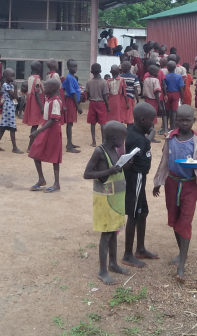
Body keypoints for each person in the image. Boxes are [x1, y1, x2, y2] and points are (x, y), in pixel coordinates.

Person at [152, 104, 197, 282]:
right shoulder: (171, 137)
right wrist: (158, 182)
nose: (184, 123)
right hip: (172, 183)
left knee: (185, 221)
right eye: (181, 120)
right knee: (175, 220)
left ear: (193, 120)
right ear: (176, 120)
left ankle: (182, 264)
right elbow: (165, 161)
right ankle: (181, 253)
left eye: (188, 120)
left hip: (189, 185)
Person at [83, 121, 132, 285]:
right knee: (106, 234)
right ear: (114, 138)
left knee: (114, 232)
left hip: (116, 201)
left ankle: (113, 263)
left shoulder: (114, 150)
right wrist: (109, 171)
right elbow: (87, 173)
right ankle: (102, 270)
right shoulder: (99, 151)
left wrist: (124, 165)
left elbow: (116, 169)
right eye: (122, 139)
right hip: (104, 201)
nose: (123, 142)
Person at [122, 102, 159, 268]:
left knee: (142, 212)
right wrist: (150, 137)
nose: (153, 124)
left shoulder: (134, 130)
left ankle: (140, 249)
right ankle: (128, 255)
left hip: (140, 178)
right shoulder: (136, 137)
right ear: (143, 120)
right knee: (134, 214)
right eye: (152, 121)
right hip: (135, 178)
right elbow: (142, 146)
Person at [28, 78, 64, 192]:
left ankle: (56, 183)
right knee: (35, 152)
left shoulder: (56, 102)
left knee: (55, 157)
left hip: (53, 130)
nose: (44, 88)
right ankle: (41, 179)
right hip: (45, 128)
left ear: (52, 89)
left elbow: (53, 120)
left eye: (46, 87)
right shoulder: (48, 99)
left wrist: (38, 131)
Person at [0, 68, 22, 153]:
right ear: (5, 76)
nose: (13, 78)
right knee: (12, 127)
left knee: (4, 126)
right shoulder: (5, 85)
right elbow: (13, 96)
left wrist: (15, 88)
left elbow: (16, 97)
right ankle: (14, 147)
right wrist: (16, 87)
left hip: (11, 106)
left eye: (14, 76)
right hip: (8, 106)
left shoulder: (11, 85)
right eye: (11, 76)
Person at [62, 59, 84, 153]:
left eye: (75, 66)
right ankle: (69, 146)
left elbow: (63, 86)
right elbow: (73, 92)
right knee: (69, 124)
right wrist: (77, 106)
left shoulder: (72, 77)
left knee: (70, 124)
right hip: (71, 102)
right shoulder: (70, 78)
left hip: (72, 102)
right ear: (68, 67)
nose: (74, 68)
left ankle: (69, 143)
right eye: (72, 66)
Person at [23, 61, 45, 148]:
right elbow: (36, 93)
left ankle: (32, 145)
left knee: (34, 125)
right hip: (36, 103)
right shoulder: (37, 79)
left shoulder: (30, 77)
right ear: (39, 68)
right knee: (35, 125)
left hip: (31, 101)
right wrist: (41, 106)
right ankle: (30, 146)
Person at [86, 63, 110, 147]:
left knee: (92, 123)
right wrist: (108, 106)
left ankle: (93, 141)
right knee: (102, 123)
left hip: (92, 103)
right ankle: (103, 142)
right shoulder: (104, 82)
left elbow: (87, 95)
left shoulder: (89, 82)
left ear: (91, 71)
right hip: (101, 104)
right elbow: (105, 96)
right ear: (100, 71)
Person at [141, 64, 164, 143]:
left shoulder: (146, 79)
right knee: (152, 120)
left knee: (147, 118)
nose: (158, 73)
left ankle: (145, 134)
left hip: (147, 100)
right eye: (157, 71)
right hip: (153, 101)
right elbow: (156, 93)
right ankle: (152, 137)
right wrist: (159, 104)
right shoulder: (156, 80)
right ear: (153, 72)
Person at [164, 61, 185, 132]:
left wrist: (165, 95)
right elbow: (181, 88)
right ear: (175, 68)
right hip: (176, 94)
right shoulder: (179, 76)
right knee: (174, 111)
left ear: (167, 68)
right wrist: (182, 97)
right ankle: (172, 128)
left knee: (167, 111)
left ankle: (165, 127)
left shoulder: (165, 76)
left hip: (168, 93)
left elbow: (164, 86)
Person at [120, 61, 140, 125]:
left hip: (121, 98)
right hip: (130, 98)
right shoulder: (134, 77)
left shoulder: (120, 77)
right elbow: (135, 90)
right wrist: (137, 99)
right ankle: (129, 131)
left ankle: (120, 131)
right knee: (129, 116)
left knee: (121, 114)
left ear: (122, 68)